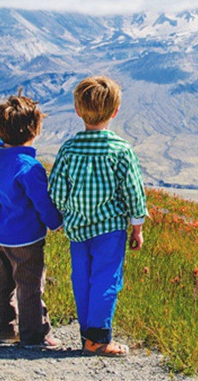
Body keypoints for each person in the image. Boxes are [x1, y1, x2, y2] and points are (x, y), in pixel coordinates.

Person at [48, 75, 147, 357]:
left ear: (78, 111)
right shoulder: (121, 150)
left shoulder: (68, 149)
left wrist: (66, 213)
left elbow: (56, 190)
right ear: (115, 111)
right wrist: (137, 227)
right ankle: (99, 339)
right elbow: (134, 193)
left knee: (82, 279)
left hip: (77, 229)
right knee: (106, 281)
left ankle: (87, 336)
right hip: (110, 230)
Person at [0, 91, 63, 349]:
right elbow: (42, 202)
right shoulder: (30, 168)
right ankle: (34, 335)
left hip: (1, 235)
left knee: (5, 284)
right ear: (34, 130)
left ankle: (7, 330)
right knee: (29, 286)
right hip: (26, 239)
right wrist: (56, 222)